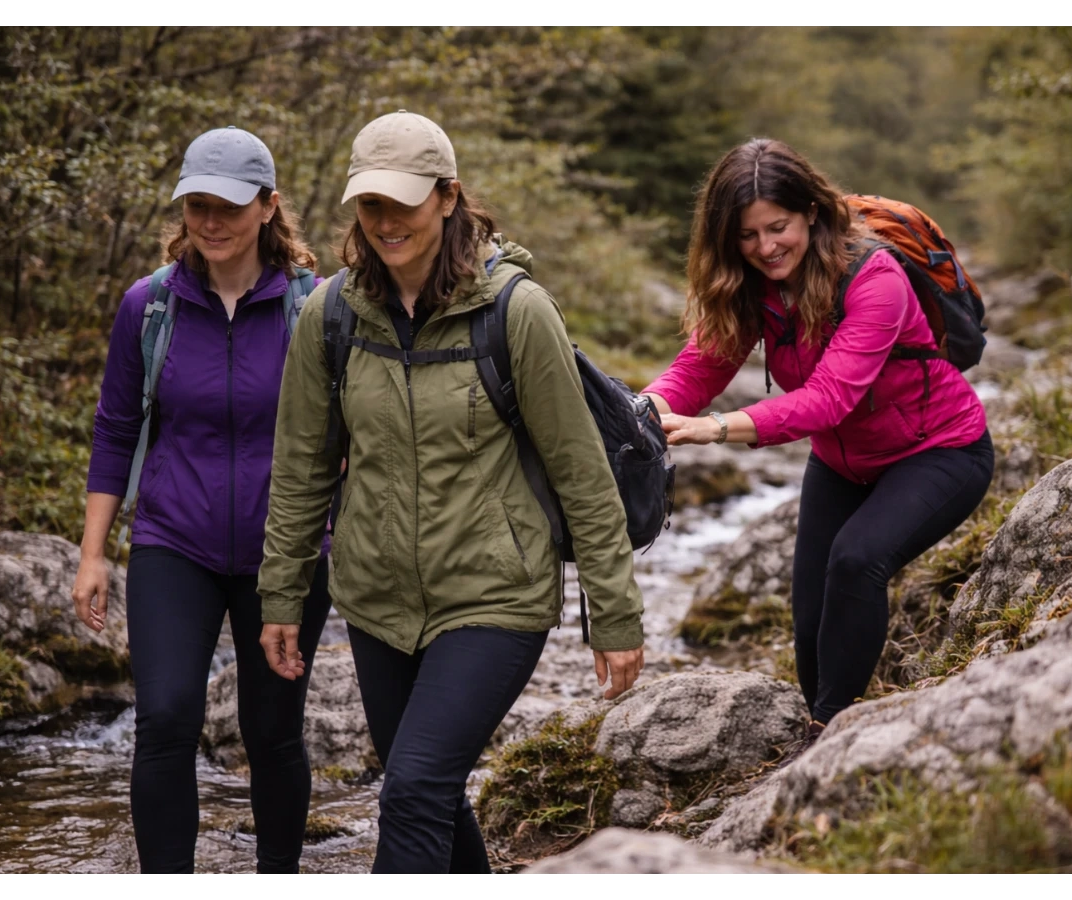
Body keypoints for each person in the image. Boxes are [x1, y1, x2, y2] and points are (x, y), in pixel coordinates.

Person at [255, 109, 646, 878]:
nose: (386, 222)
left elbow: (580, 472)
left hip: (495, 593)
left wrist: (615, 612)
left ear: (447, 196)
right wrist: (281, 595)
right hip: (374, 599)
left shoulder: (515, 312)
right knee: (428, 790)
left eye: (403, 202)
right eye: (371, 205)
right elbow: (301, 467)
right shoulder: (328, 316)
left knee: (411, 791)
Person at [641, 137, 993, 745]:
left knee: (857, 560)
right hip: (841, 462)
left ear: (810, 210)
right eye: (746, 237)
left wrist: (717, 429)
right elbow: (697, 370)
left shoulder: (873, 275)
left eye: (777, 227)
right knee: (810, 616)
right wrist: (639, 411)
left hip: (941, 450)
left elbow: (830, 398)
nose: (765, 248)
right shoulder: (750, 284)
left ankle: (831, 736)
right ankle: (819, 719)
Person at [70, 126, 333, 879]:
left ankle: (278, 872)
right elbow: (116, 430)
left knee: (272, 729)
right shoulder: (148, 308)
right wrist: (92, 554)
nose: (210, 222)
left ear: (268, 206)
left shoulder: (313, 311)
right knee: (165, 720)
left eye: (227, 206)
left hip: (282, 555)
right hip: (171, 544)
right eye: (196, 206)